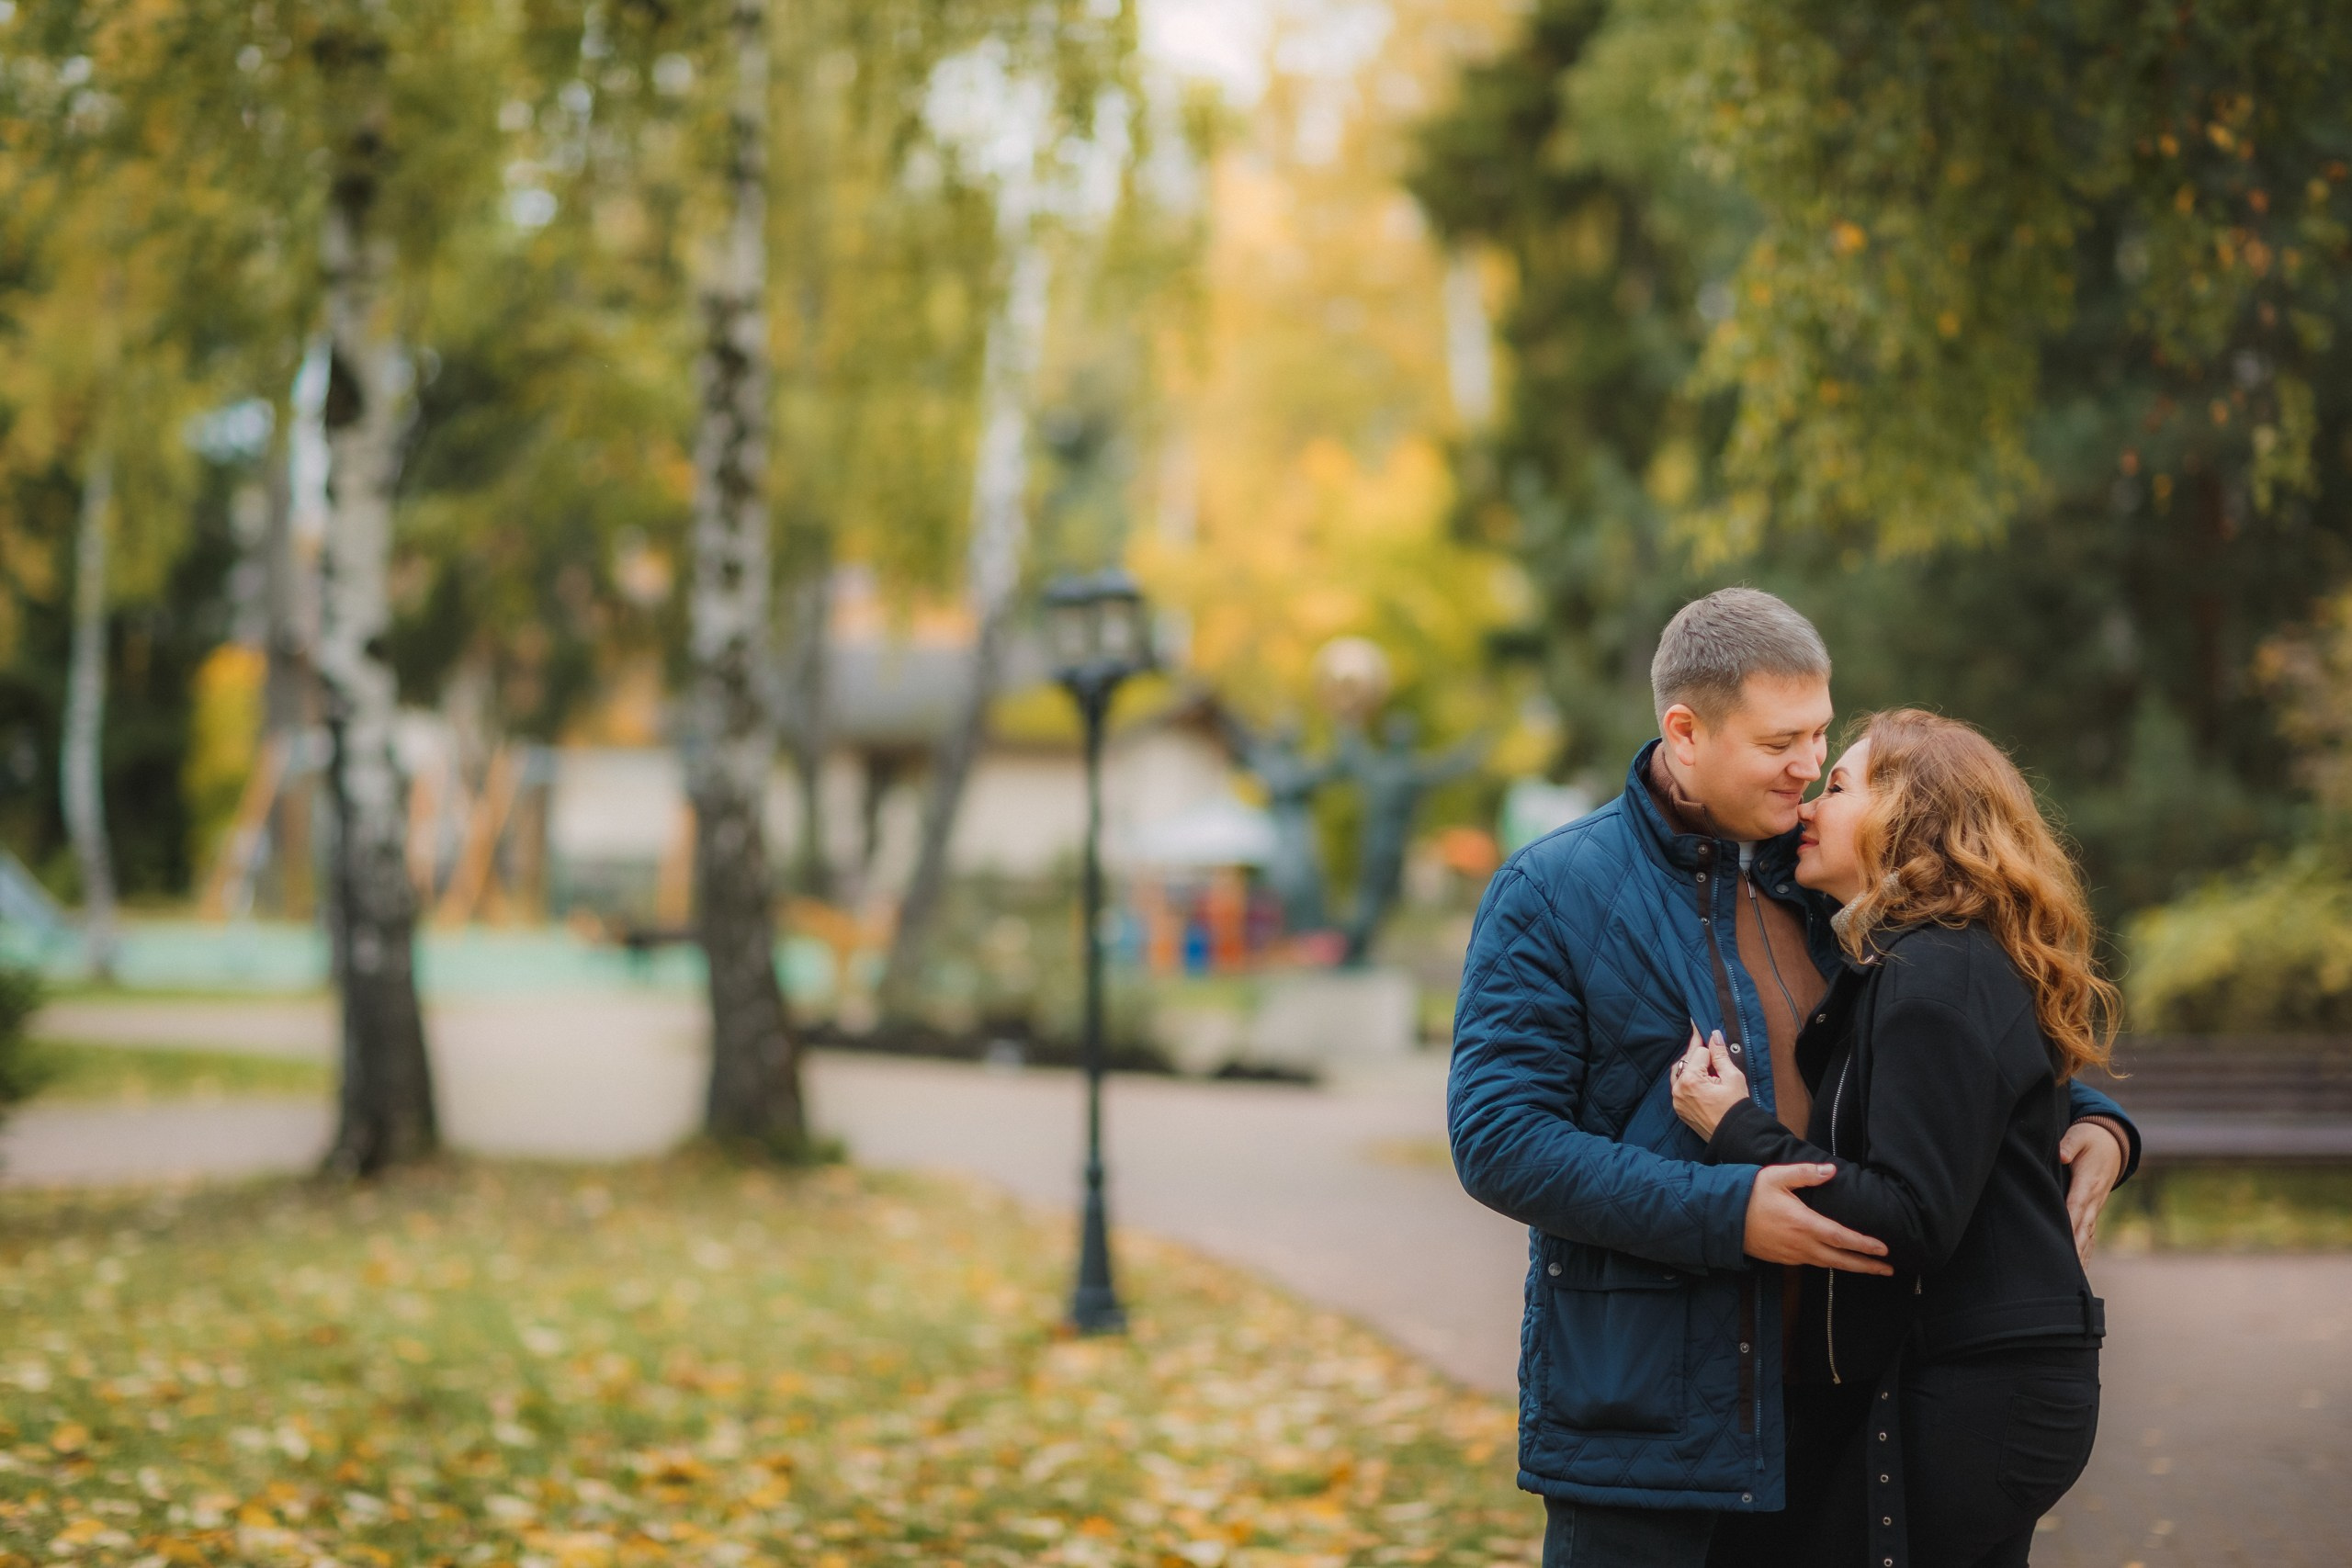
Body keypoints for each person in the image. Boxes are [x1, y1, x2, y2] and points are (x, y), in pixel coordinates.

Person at [1447, 588, 2137, 1568]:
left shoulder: (1832, 871)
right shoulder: (1551, 892)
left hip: (1848, 1407)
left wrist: (2099, 1120)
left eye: (1819, 736)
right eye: (1781, 744)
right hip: (1649, 1413)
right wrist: (1725, 1213)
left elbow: (1960, 1036)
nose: (1810, 769)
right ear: (1685, 732)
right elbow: (1499, 1142)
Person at [1670, 710, 2117, 1566]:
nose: (1808, 802)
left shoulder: (1934, 973)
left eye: (1837, 786)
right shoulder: (1926, 962)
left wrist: (1735, 1127)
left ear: (1911, 816)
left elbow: (1908, 1218)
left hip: (1979, 1387)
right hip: (1976, 1377)